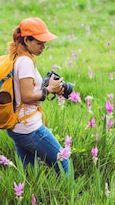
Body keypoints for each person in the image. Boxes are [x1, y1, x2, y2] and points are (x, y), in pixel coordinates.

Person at [6, 17, 71, 176]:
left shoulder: (16, 57)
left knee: (29, 171)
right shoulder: (25, 62)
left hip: (17, 126)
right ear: (27, 40)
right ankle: (70, 197)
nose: (43, 46)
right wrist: (48, 89)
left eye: (45, 43)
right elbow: (27, 96)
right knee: (62, 161)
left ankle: (30, 198)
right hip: (30, 128)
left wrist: (50, 88)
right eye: (39, 42)